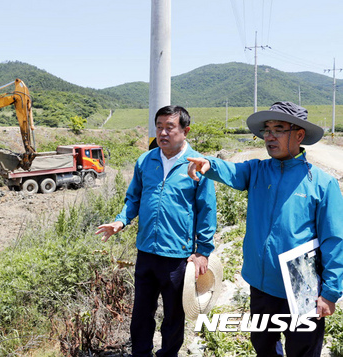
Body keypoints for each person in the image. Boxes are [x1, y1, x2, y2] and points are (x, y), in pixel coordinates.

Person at [187, 101, 343, 357]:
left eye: (278, 129)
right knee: (264, 346)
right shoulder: (256, 171)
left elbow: (334, 241)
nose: (269, 136)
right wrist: (209, 165)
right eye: (266, 129)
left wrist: (330, 293)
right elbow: (232, 171)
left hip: (302, 288)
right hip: (262, 286)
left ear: (299, 134)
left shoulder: (322, 184)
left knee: (303, 350)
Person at [96, 105, 217, 357]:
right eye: (159, 127)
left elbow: (207, 210)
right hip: (146, 252)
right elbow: (134, 199)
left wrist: (203, 251)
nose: (162, 133)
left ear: (185, 130)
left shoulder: (197, 165)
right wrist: (120, 221)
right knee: (141, 313)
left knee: (174, 315)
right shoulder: (145, 160)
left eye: (169, 127)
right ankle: (141, 353)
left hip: (177, 256)